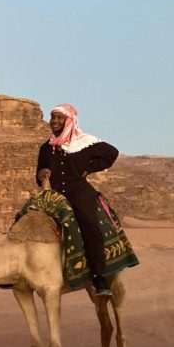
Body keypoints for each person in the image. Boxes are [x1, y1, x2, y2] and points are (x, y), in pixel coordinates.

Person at [36, 103, 118, 296]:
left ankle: (99, 277)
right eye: (52, 117)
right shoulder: (46, 148)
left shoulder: (85, 143)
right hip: (55, 195)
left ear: (69, 121)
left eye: (59, 118)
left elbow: (111, 153)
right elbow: (38, 175)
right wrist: (42, 173)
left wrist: (89, 168)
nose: (54, 121)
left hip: (79, 193)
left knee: (90, 225)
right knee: (24, 218)